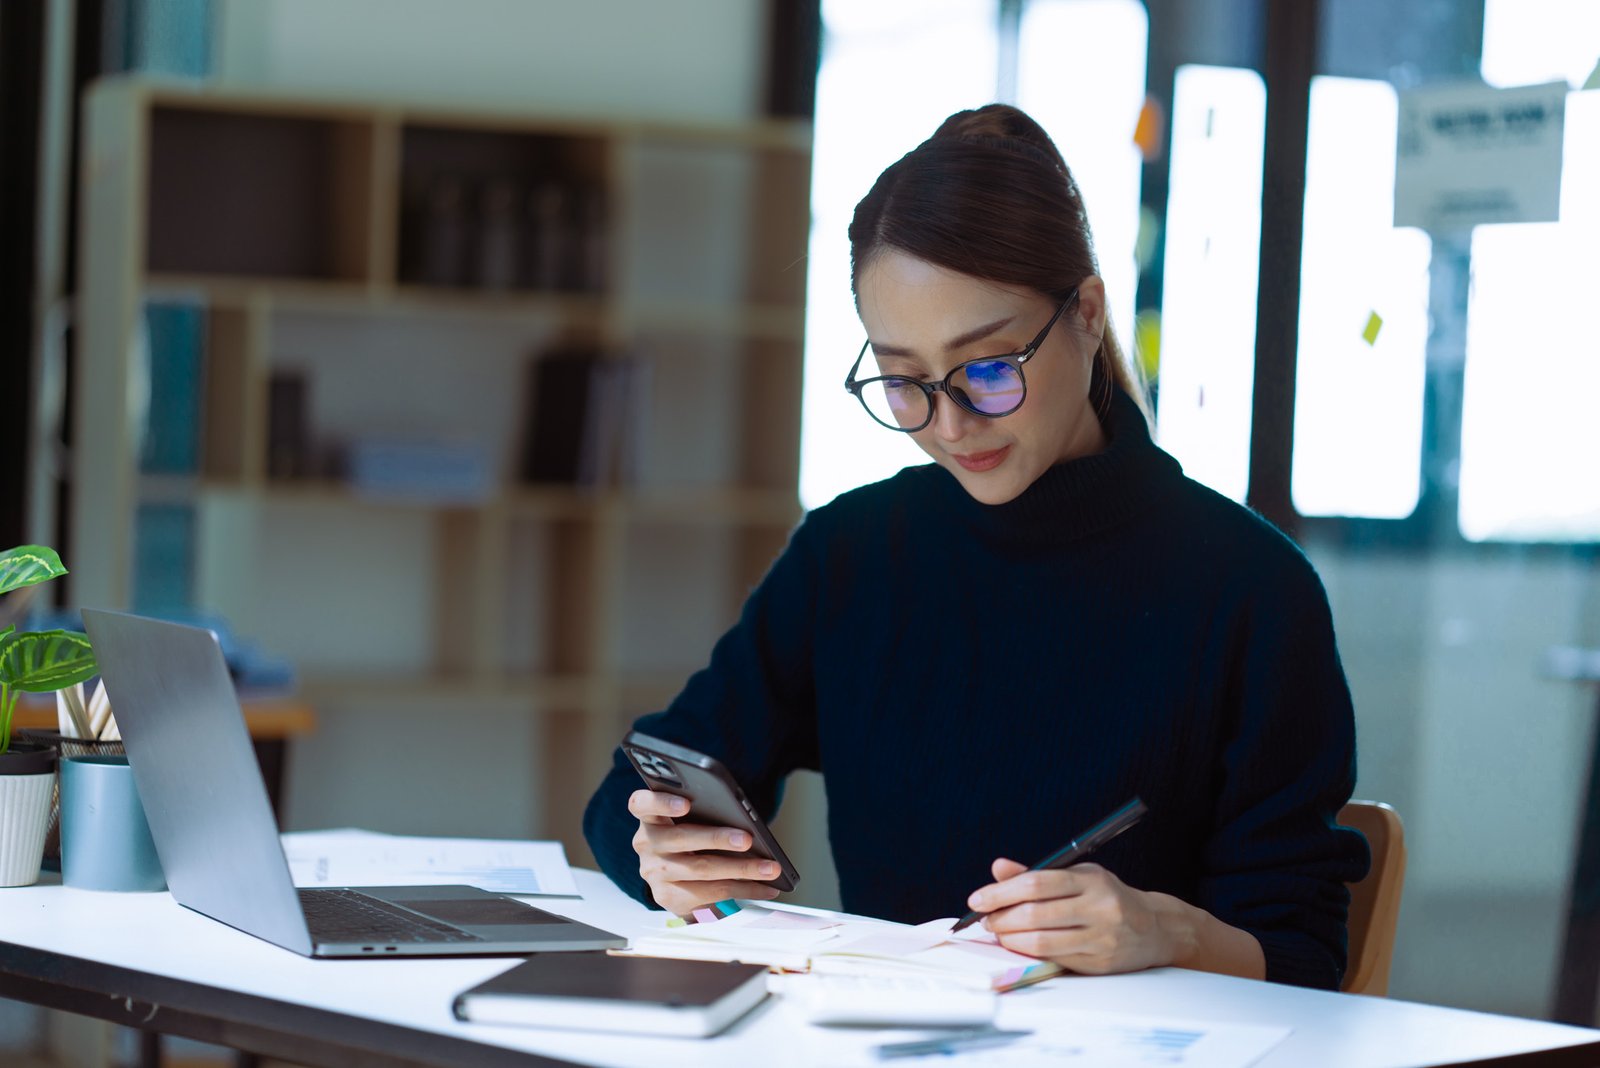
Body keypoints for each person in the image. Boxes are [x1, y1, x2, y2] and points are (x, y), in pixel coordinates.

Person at [583, 104, 1369, 990]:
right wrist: (661, 853)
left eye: (989, 368)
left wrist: (1171, 931)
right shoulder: (853, 554)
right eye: (904, 380)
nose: (950, 424)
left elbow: (1303, 956)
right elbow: (637, 789)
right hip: (873, 1042)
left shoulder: (1251, 588)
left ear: (1086, 315)